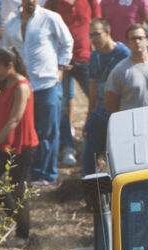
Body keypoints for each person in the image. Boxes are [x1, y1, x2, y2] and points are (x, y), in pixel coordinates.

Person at [4, 0, 72, 186]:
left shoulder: (50, 18)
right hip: (22, 86)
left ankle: (47, 174)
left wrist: (60, 68)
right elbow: (6, 52)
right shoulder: (11, 23)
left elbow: (67, 42)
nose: (31, 1)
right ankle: (29, 172)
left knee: (48, 131)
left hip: (46, 83)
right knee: (25, 130)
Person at [0, 46, 38, 246]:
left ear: (10, 65)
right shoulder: (4, 83)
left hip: (20, 145)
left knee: (17, 187)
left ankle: (23, 234)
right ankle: (18, 219)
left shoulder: (22, 86)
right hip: (3, 143)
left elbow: (15, 119)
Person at [44, 0, 99, 168]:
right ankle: (67, 146)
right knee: (62, 105)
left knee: (98, 99)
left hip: (87, 58)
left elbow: (98, 24)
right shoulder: (52, 3)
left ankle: (97, 141)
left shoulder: (90, 1)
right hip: (62, 61)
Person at [81, 16, 128, 179]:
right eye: (90, 36)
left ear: (108, 32)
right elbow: (93, 88)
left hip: (117, 113)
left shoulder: (123, 54)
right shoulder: (95, 56)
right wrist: (88, 118)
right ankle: (92, 201)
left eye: (97, 34)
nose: (93, 39)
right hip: (100, 112)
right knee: (88, 158)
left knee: (116, 160)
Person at [104, 23, 148, 111]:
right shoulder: (120, 70)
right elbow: (109, 100)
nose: (137, 42)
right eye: (133, 39)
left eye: (140, 38)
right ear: (127, 43)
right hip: (133, 122)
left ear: (147, 41)